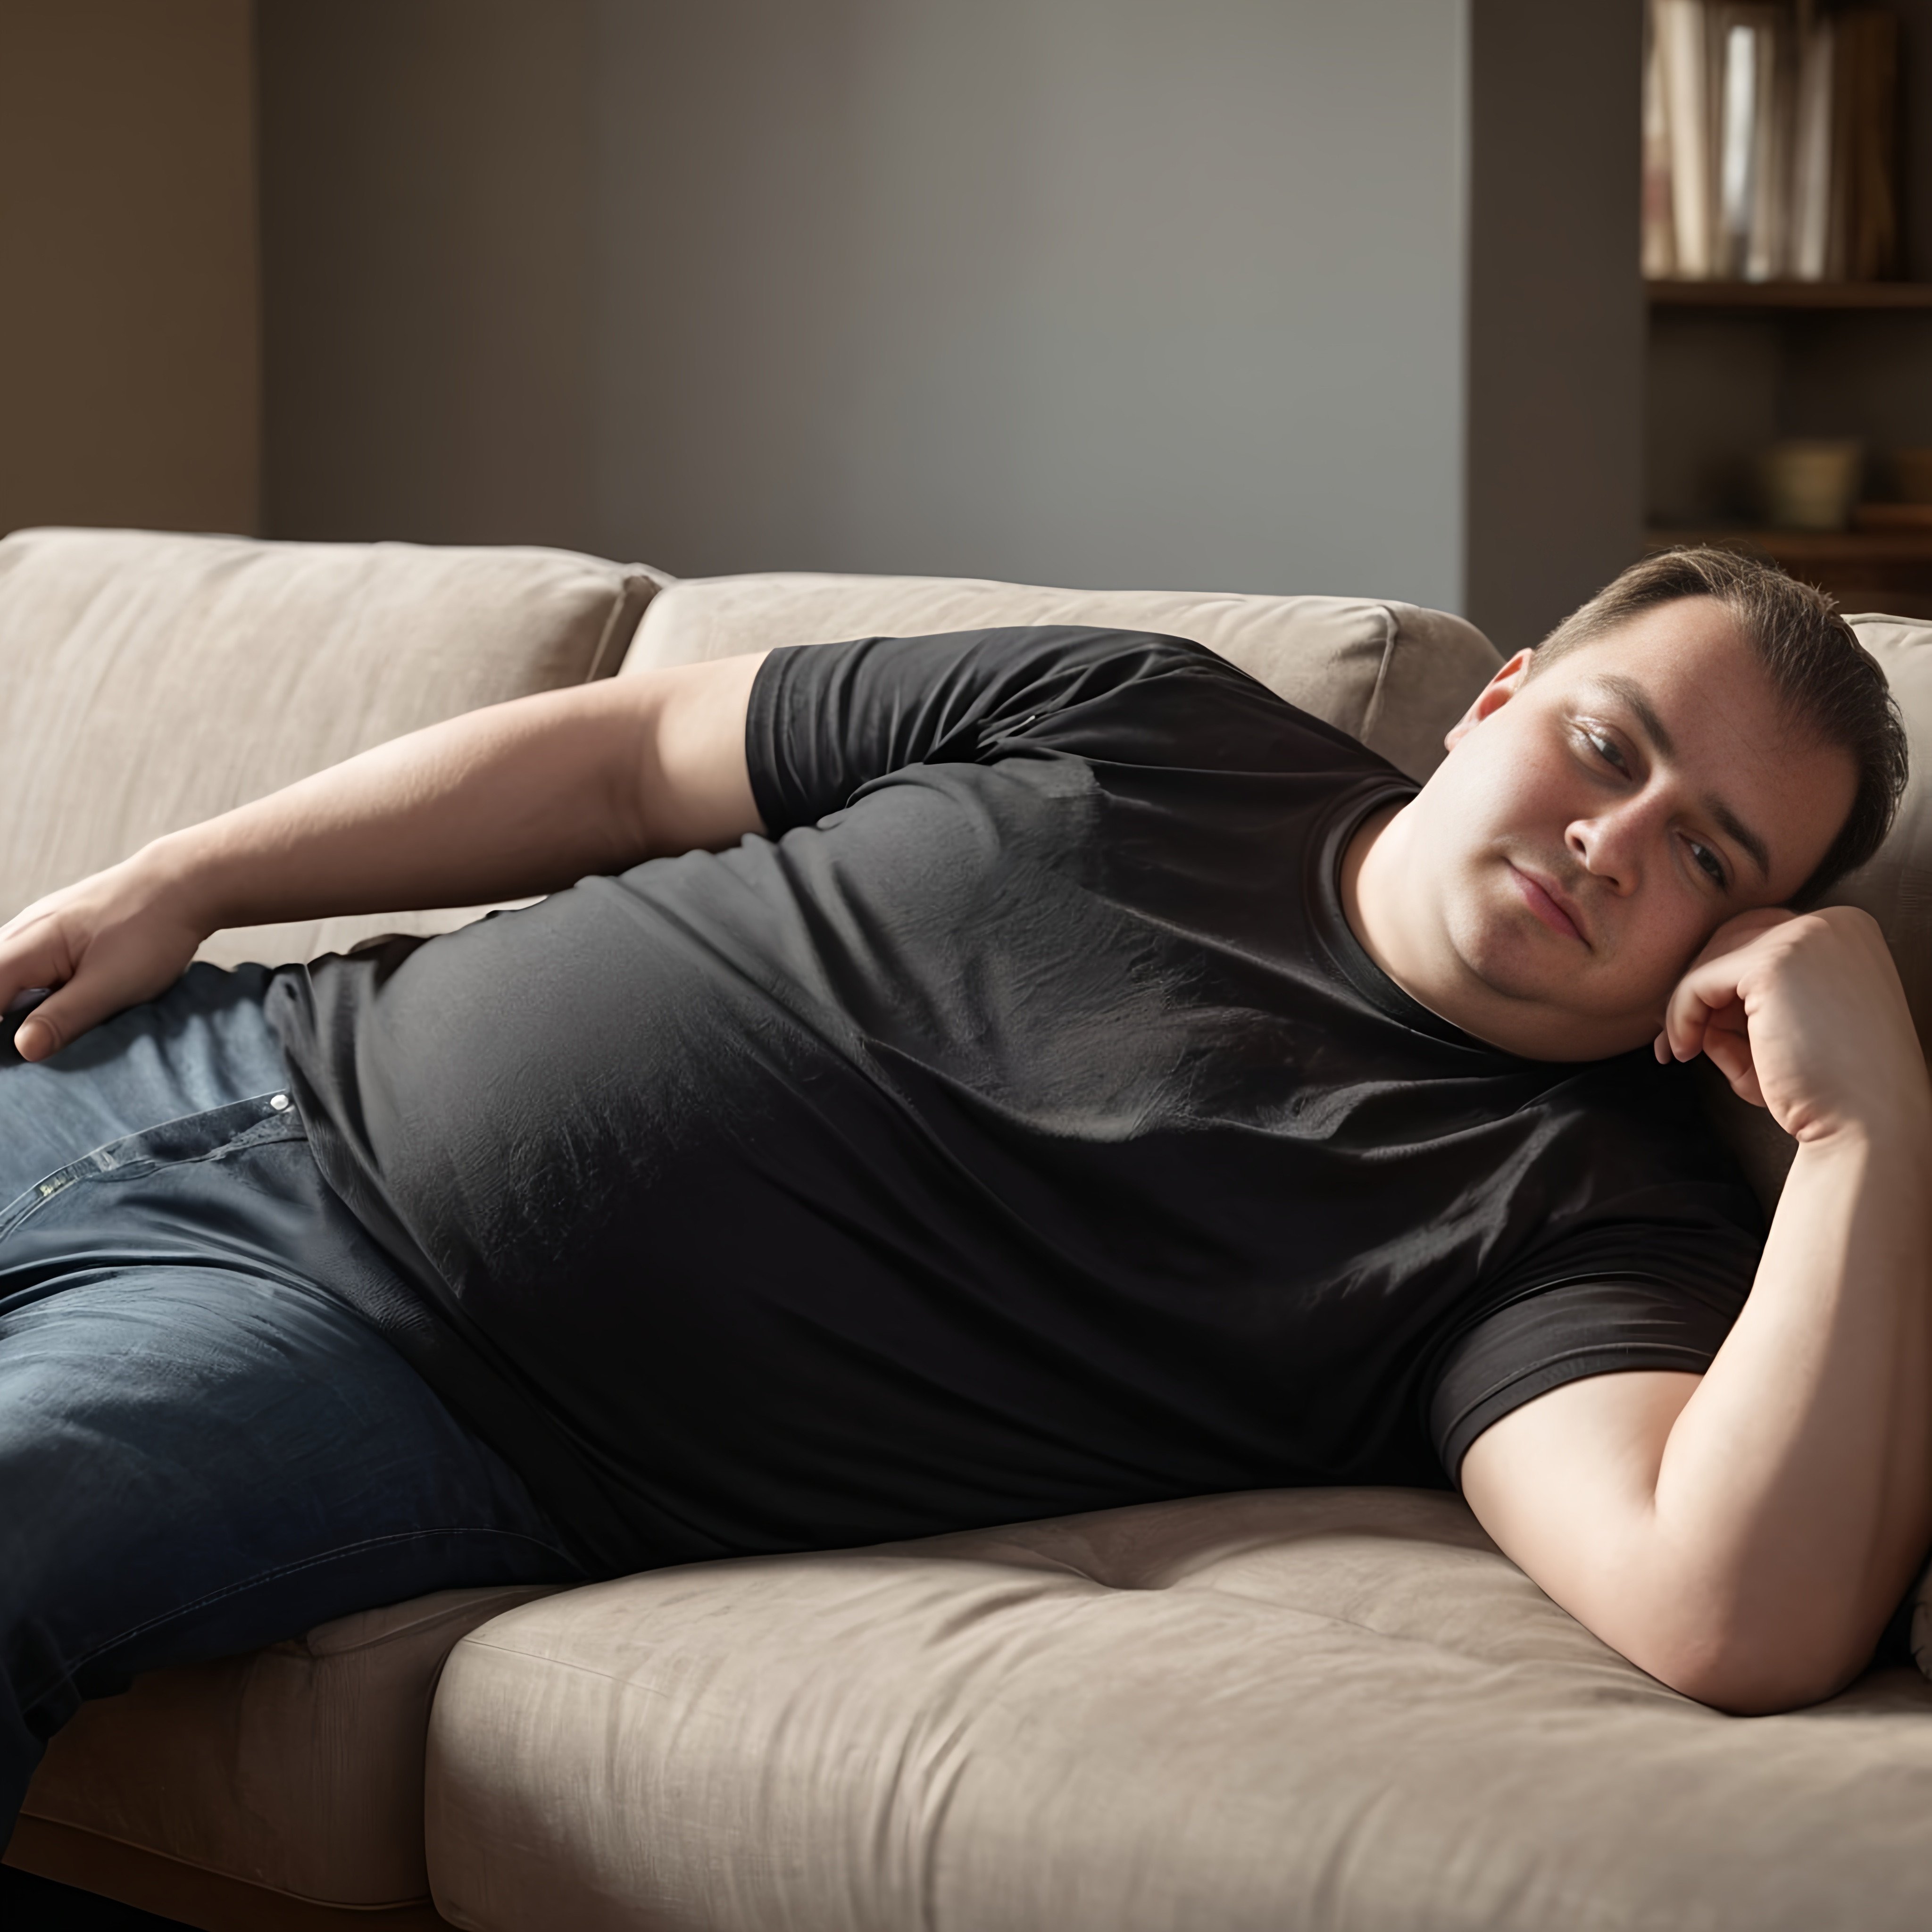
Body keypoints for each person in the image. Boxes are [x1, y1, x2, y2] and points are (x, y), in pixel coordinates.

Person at [0, 546, 1924, 1839]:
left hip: (382, 1366)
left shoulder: (1567, 1214)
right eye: (1609, 745)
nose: (1608, 839)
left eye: (1705, 850)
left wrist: (1864, 1129)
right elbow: (639, 752)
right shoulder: (1144, 710)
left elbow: (1725, 1610)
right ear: (1496, 701)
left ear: (1744, 933)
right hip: (224, 1045)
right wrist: (186, 877)